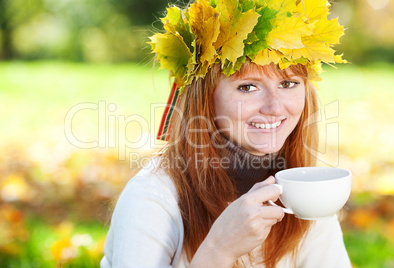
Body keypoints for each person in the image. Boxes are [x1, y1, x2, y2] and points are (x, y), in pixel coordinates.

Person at [101, 0, 351, 267]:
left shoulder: (305, 193)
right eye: (247, 87)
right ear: (205, 98)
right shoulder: (152, 197)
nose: (275, 107)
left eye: (288, 83)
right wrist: (219, 249)